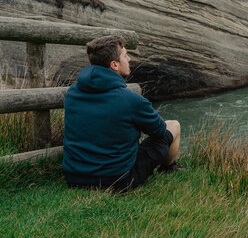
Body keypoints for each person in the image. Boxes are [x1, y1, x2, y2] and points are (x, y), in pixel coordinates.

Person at [62, 35, 181, 192]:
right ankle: (169, 169)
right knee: (172, 126)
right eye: (125, 55)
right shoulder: (131, 100)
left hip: (74, 178)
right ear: (114, 65)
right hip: (117, 181)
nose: (129, 59)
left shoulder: (72, 93)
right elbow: (159, 130)